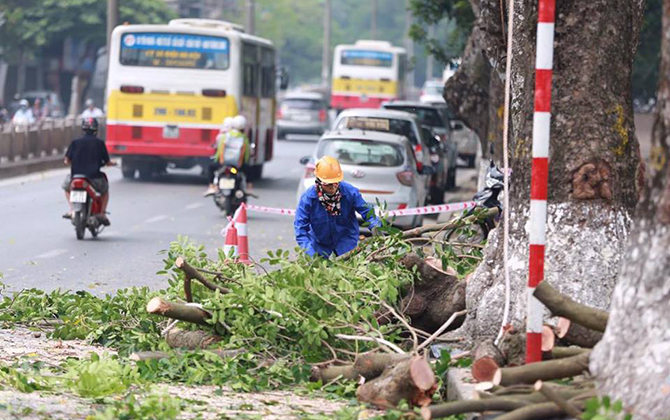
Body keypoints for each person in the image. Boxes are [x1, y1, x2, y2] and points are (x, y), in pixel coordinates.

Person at [294, 156, 381, 258]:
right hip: (320, 243)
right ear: (319, 181)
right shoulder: (308, 199)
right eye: (328, 184)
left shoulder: (350, 192)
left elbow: (367, 212)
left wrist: (375, 227)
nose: (333, 187)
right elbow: (300, 230)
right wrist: (311, 254)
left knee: (348, 271)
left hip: (346, 240)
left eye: (335, 183)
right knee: (320, 271)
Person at [62, 118, 115, 225]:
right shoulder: (100, 143)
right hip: (94, 178)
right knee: (105, 191)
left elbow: (67, 161)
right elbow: (107, 162)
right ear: (96, 130)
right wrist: (112, 164)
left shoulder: (75, 142)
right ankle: (102, 213)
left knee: (66, 188)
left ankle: (72, 209)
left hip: (75, 177)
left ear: (83, 129)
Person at [204, 115, 251, 196]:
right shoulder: (244, 138)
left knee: (210, 168)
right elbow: (246, 154)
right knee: (250, 170)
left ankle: (211, 186)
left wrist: (219, 161)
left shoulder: (224, 136)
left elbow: (219, 151)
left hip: (223, 164)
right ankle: (249, 187)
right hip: (237, 166)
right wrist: (243, 162)